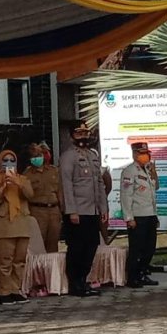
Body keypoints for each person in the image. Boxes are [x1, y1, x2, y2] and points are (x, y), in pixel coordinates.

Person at [60, 122, 108, 297]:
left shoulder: (92, 156)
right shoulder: (68, 156)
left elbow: (100, 184)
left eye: (85, 132)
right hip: (77, 212)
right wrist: (71, 211)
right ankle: (75, 283)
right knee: (77, 249)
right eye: (79, 133)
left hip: (92, 210)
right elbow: (66, 185)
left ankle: (83, 279)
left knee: (91, 246)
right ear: (72, 135)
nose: (83, 136)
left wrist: (103, 208)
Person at [0, 149, 34, 304]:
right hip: (2, 225)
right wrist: (2, 189)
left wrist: (18, 183)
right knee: (4, 260)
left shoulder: (23, 179)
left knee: (19, 260)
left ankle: (16, 289)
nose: (8, 164)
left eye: (12, 160)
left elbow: (30, 195)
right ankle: (4, 291)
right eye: (5, 160)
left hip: (21, 224)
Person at [120, 142, 160, 288]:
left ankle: (143, 273)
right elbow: (126, 195)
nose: (146, 156)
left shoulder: (147, 170)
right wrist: (129, 218)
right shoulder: (130, 171)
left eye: (147, 153)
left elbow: (156, 187)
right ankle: (133, 277)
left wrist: (154, 172)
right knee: (137, 249)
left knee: (150, 248)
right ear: (135, 154)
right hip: (137, 216)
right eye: (142, 153)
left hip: (150, 214)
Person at [24, 142, 62, 253]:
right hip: (37, 211)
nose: (37, 158)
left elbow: (60, 191)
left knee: (53, 243)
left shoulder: (53, 171)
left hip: (54, 211)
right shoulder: (27, 174)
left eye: (39, 155)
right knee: (38, 243)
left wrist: (62, 210)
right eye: (34, 156)